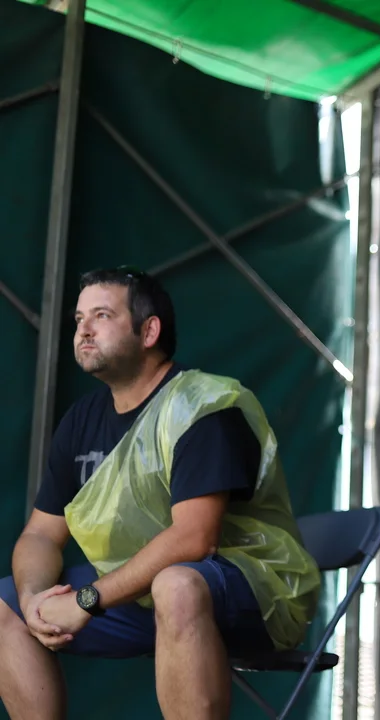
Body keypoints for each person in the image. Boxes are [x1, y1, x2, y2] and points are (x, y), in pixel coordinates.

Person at [0, 267, 321, 720]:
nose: (83, 330)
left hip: (252, 591)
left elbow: (195, 540)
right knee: (6, 604)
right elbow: (40, 535)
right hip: (139, 594)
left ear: (149, 331)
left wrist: (86, 599)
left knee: (176, 584)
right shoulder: (81, 420)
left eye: (101, 316)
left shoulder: (201, 406)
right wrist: (34, 598)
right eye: (78, 319)